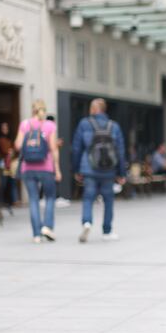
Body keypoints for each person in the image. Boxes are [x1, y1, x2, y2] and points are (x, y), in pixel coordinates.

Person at [71, 98, 127, 242]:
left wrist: (76, 169)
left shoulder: (84, 124)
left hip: (89, 168)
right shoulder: (113, 126)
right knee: (108, 199)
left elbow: (77, 148)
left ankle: (87, 222)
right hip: (108, 170)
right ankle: (107, 231)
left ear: (94, 109)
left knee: (88, 197)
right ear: (104, 110)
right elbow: (120, 151)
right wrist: (121, 173)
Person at [13, 100, 61, 242]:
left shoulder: (25, 124)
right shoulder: (49, 125)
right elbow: (53, 149)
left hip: (28, 167)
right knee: (50, 197)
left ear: (32, 110)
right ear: (44, 111)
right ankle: (47, 226)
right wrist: (57, 169)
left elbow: (17, 145)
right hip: (46, 167)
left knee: (33, 199)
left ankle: (36, 235)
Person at [0, 121, 18, 207]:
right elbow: (5, 150)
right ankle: (1, 201)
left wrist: (11, 152)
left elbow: (14, 150)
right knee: (3, 183)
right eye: (3, 128)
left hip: (11, 164)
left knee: (12, 182)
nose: (5, 130)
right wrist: (10, 151)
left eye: (6, 128)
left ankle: (13, 201)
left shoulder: (11, 139)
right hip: (2, 163)